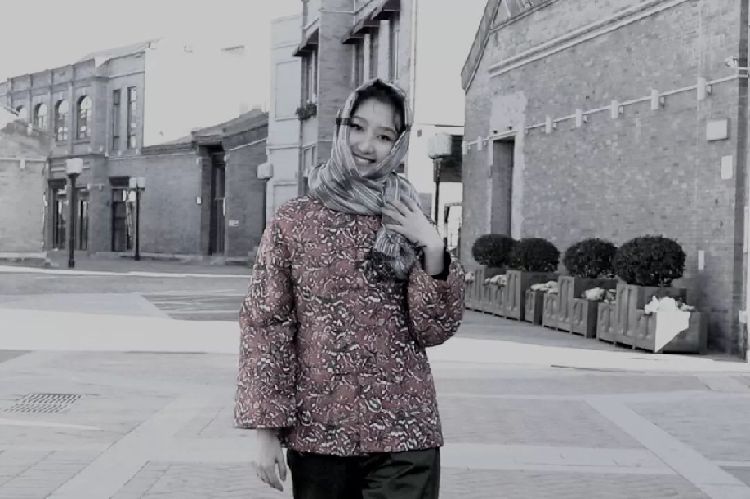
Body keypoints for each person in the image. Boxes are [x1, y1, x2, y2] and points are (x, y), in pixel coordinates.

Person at [234, 78, 465, 499]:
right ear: (341, 128)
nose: (366, 145)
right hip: (320, 433)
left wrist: (433, 247)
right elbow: (266, 326)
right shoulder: (294, 220)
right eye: (358, 128)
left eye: (384, 136)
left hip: (405, 433)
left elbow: (434, 329)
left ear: (398, 145)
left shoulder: (409, 215)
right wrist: (266, 430)